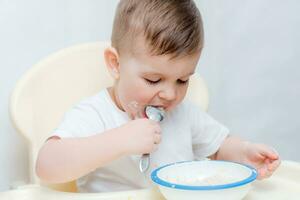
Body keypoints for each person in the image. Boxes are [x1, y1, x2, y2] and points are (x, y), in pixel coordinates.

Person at [36, 0, 280, 193]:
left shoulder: (183, 114)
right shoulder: (96, 114)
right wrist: (118, 141)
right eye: (153, 80)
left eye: (183, 80)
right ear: (115, 64)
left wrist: (244, 152)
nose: (170, 94)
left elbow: (219, 147)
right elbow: (47, 166)